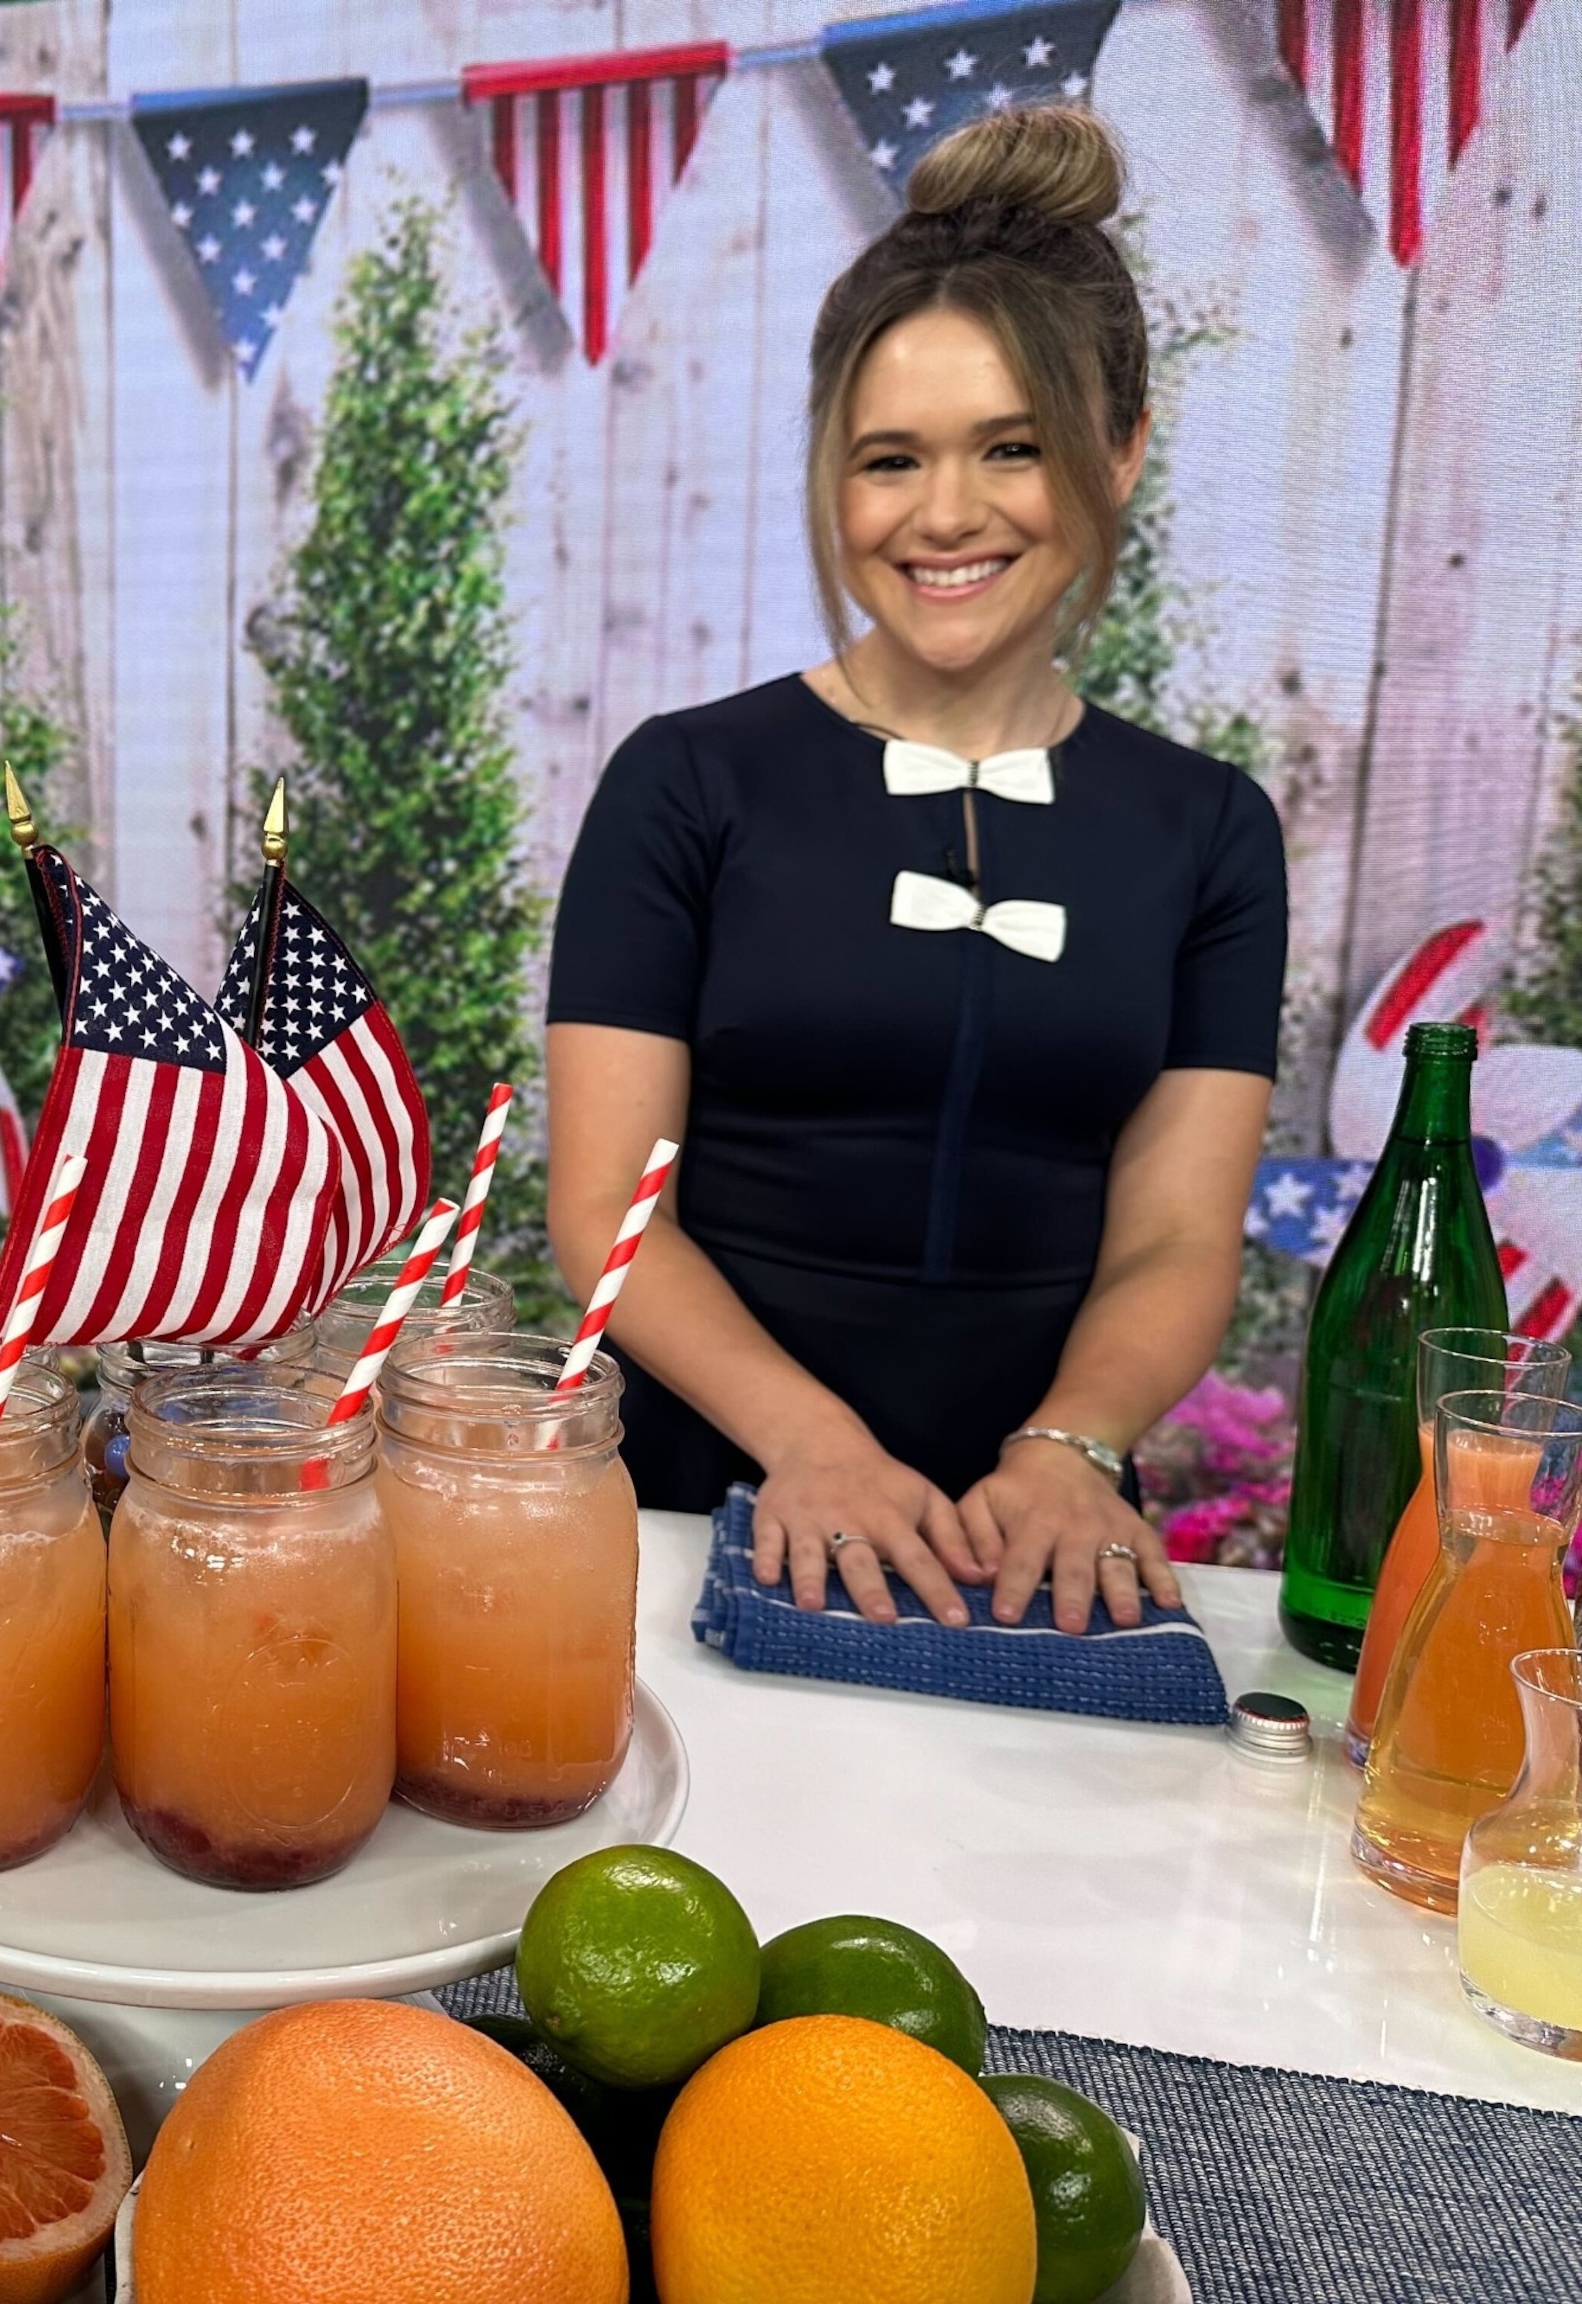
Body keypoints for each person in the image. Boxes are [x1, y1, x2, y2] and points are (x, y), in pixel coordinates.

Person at [541, 108, 1285, 1637]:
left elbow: (1173, 1235)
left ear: (1121, 451)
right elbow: (610, 1211)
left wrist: (1071, 1447)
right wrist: (811, 1443)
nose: (946, 514)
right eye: (892, 460)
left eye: (1012, 448)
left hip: (1047, 1540)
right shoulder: (687, 783)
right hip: (701, 1501)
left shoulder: (1208, 829)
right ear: (836, 477)